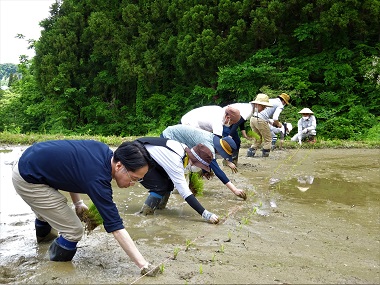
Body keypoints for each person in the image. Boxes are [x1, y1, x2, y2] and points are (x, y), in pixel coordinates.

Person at [11, 139, 159, 276]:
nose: (134, 183)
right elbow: (116, 227)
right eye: (134, 178)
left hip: (31, 163)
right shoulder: (98, 179)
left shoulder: (103, 151)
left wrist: (78, 203)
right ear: (119, 166)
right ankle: (55, 270)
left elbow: (72, 171)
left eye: (140, 179)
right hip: (28, 178)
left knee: (48, 212)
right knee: (73, 231)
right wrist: (143, 264)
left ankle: (43, 245)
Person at [135, 137, 219, 224]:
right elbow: (185, 192)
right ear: (194, 161)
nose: (200, 169)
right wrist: (205, 214)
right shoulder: (176, 160)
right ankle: (144, 216)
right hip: (137, 155)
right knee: (159, 187)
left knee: (169, 184)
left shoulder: (185, 153)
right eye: (201, 167)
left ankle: (159, 209)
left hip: (148, 156)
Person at [162, 124, 247, 200]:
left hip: (178, 136)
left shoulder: (215, 139)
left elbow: (204, 159)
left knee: (188, 164)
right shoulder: (209, 147)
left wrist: (206, 171)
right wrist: (235, 190)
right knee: (179, 165)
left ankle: (178, 188)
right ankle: (172, 190)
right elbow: (218, 171)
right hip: (170, 136)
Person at [247, 93, 290, 157]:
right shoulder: (280, 105)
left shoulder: (269, 100)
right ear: (284, 101)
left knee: (258, 138)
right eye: (285, 103)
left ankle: (250, 154)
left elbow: (265, 116)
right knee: (268, 140)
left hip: (252, 119)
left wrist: (273, 123)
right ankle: (265, 156)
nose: (284, 105)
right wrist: (278, 124)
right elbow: (275, 118)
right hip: (261, 120)